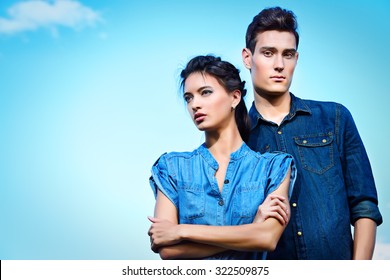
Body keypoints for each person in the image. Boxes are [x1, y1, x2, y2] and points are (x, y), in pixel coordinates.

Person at [241, 6, 383, 260]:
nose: (279, 65)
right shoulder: (236, 138)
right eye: (268, 53)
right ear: (247, 58)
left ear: (297, 59)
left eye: (288, 54)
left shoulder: (336, 118)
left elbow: (364, 207)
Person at [148, 55, 296, 259]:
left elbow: (267, 238)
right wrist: (251, 230)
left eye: (205, 93)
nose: (194, 105)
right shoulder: (172, 167)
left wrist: (181, 230)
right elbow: (167, 250)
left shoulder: (274, 167)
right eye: (188, 98)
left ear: (235, 97)